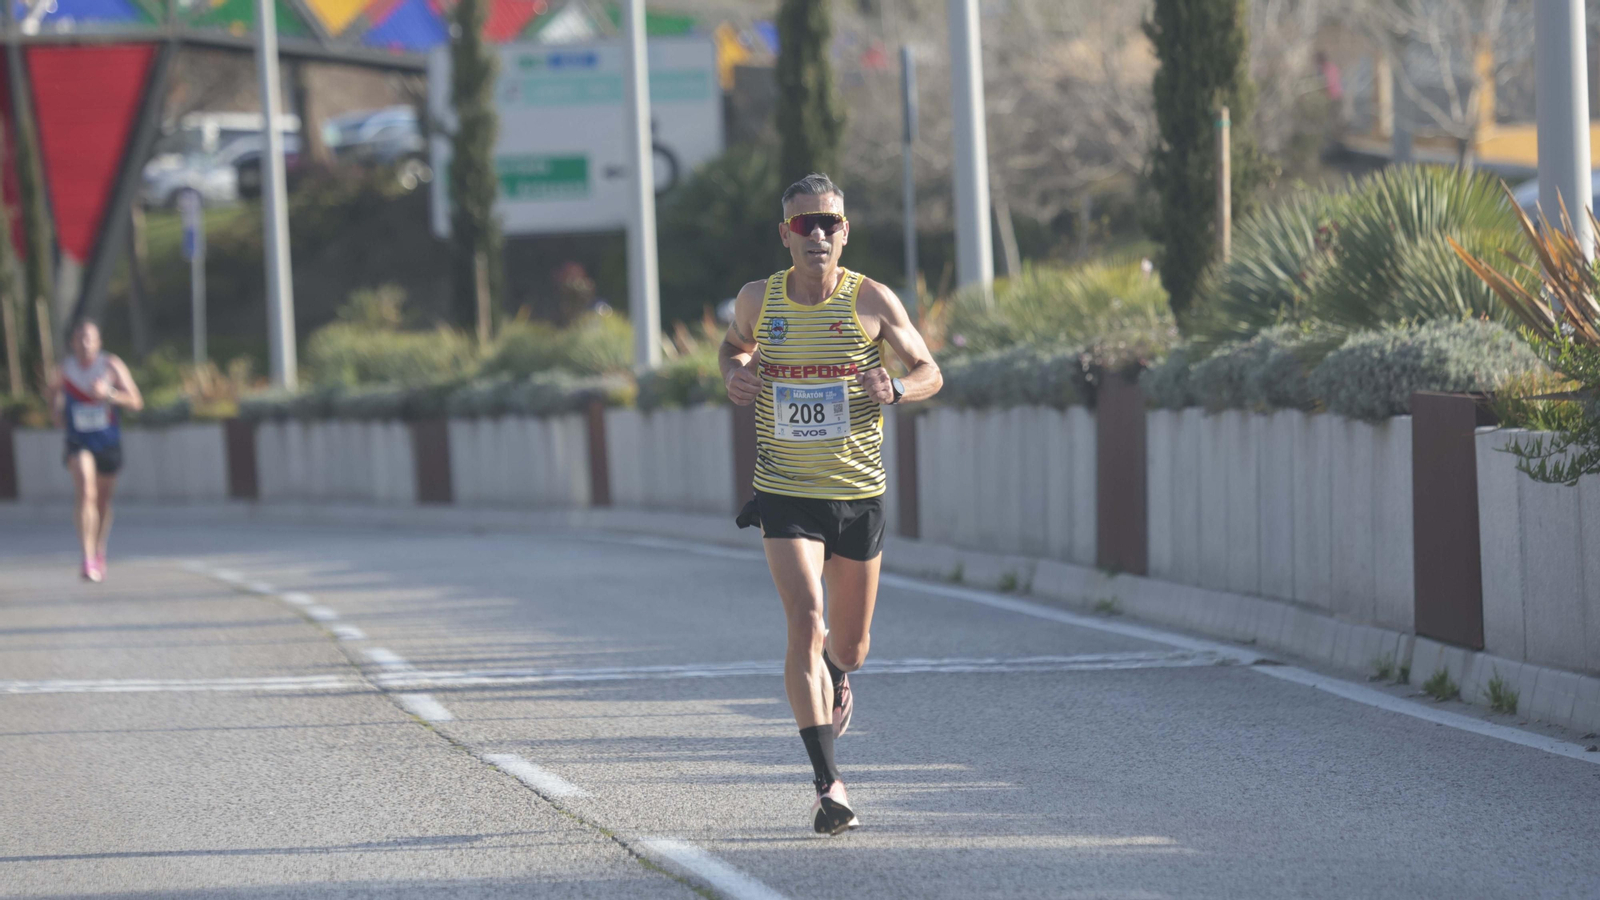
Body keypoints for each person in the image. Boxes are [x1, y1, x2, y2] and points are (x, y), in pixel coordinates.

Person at [719, 173, 942, 835]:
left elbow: (931, 370)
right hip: (786, 489)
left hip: (856, 493)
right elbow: (734, 345)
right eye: (804, 224)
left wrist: (896, 388)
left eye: (830, 223)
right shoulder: (760, 299)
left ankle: (838, 673)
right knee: (805, 618)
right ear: (784, 234)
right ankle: (828, 785)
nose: (818, 234)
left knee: (849, 642)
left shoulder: (870, 299)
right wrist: (735, 371)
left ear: (845, 231)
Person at [46, 318, 142, 582]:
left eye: (90, 338)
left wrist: (108, 394)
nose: (85, 343)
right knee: (85, 491)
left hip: (108, 441)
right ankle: (87, 557)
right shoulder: (65, 369)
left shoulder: (111, 365)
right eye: (80, 338)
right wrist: (56, 410)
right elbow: (52, 392)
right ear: (72, 343)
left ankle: (99, 549)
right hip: (78, 441)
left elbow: (136, 401)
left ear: (99, 342)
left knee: (102, 501)